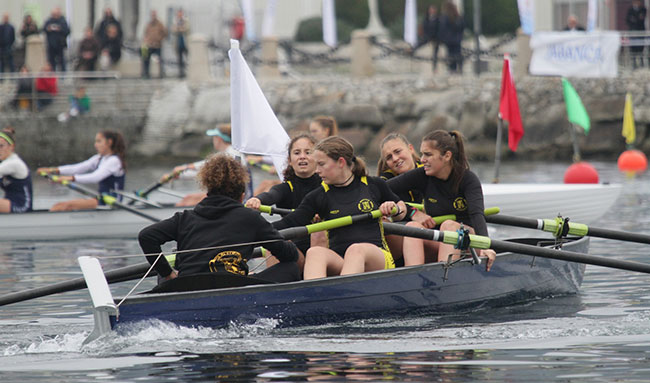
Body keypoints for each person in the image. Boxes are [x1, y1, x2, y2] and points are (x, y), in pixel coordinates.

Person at [138, 154, 300, 285]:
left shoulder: (184, 218)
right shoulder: (251, 218)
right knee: (291, 268)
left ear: (208, 190)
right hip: (233, 286)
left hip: (187, 286)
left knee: (162, 274)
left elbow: (146, 236)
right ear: (242, 195)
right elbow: (289, 256)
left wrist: (168, 274)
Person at [273, 136, 407, 280]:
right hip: (341, 261)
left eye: (321, 164)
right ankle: (314, 297)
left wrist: (394, 208)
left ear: (341, 162)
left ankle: (343, 294)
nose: (317, 170)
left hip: (377, 257)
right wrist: (258, 230)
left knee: (355, 249)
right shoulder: (318, 196)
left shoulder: (373, 185)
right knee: (315, 252)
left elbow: (402, 209)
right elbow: (291, 222)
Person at [387, 130, 495, 271]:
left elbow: (477, 215)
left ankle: (444, 279)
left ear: (447, 156)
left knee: (449, 225)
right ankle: (413, 279)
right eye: (422, 154)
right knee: (412, 227)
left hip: (469, 243)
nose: (422, 159)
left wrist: (486, 246)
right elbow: (381, 190)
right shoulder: (423, 175)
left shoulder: (468, 180)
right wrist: (411, 211)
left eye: (428, 154)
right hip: (441, 241)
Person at [245, 133, 322, 269]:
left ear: (317, 158)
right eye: (297, 153)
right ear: (290, 161)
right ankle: (274, 285)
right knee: (274, 243)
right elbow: (271, 195)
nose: (302, 156)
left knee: (319, 234)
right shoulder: (286, 188)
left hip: (322, 252)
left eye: (308, 152)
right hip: (295, 252)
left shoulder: (326, 186)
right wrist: (257, 200)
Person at [37, 130, 126, 211]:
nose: (95, 144)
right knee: (59, 205)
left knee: (62, 207)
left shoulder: (114, 161)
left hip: (112, 201)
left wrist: (70, 178)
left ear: (109, 142)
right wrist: (53, 170)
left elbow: (95, 177)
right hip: (101, 198)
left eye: (99, 141)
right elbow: (78, 168)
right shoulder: (99, 158)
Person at [164, 124, 252, 206]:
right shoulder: (227, 154)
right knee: (189, 198)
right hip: (228, 195)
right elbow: (206, 173)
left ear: (218, 138)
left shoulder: (233, 154)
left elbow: (206, 166)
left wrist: (186, 167)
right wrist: (178, 176)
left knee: (188, 201)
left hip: (238, 199)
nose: (213, 140)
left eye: (214, 137)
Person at [376, 133, 424, 263]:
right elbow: (374, 196)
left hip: (433, 232)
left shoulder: (428, 170)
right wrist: (413, 212)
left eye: (398, 151)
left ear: (411, 148)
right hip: (402, 241)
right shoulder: (384, 181)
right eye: (389, 157)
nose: (396, 159)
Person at [0, 127, 32, 213]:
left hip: (21, 207)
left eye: (1, 146)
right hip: (9, 204)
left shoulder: (14, 163)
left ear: (12, 147)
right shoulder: (5, 162)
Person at [438, 1, 465, 74]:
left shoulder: (445, 17)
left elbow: (442, 29)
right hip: (457, 39)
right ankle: (459, 68)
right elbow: (462, 27)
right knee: (457, 54)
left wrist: (443, 38)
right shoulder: (458, 17)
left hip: (449, 40)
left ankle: (452, 69)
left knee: (451, 55)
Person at [141, 10, 167, 79]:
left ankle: (161, 74)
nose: (153, 16)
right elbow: (145, 33)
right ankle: (146, 73)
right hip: (150, 45)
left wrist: (159, 39)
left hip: (157, 45)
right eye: (152, 15)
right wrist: (146, 41)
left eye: (154, 15)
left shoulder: (160, 24)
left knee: (160, 60)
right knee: (146, 58)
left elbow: (165, 33)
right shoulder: (148, 24)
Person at [43, 7, 70, 72]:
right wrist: (48, 29)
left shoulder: (63, 21)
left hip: (60, 44)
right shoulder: (49, 21)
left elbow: (67, 31)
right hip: (51, 45)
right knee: (51, 61)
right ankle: (52, 75)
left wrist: (60, 29)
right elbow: (44, 29)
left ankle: (63, 75)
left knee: (62, 61)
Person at [414, 5, 440, 72]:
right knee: (420, 42)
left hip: (435, 38)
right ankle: (412, 50)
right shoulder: (426, 19)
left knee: (435, 53)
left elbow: (439, 29)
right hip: (427, 36)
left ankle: (435, 67)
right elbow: (424, 27)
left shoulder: (438, 19)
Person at [626, 0, 647, 69]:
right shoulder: (630, 10)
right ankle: (634, 63)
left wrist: (635, 19)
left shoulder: (643, 9)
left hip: (640, 31)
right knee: (633, 47)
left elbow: (641, 18)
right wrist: (633, 21)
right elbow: (628, 20)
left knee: (641, 47)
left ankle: (641, 63)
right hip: (633, 31)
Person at [172, 8, 189, 78]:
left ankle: (188, 72)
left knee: (187, 57)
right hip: (178, 43)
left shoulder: (186, 21)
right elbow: (173, 30)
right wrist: (180, 29)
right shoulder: (175, 21)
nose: (180, 14)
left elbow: (187, 29)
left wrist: (180, 29)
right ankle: (181, 73)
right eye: (178, 13)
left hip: (185, 42)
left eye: (181, 13)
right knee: (179, 59)